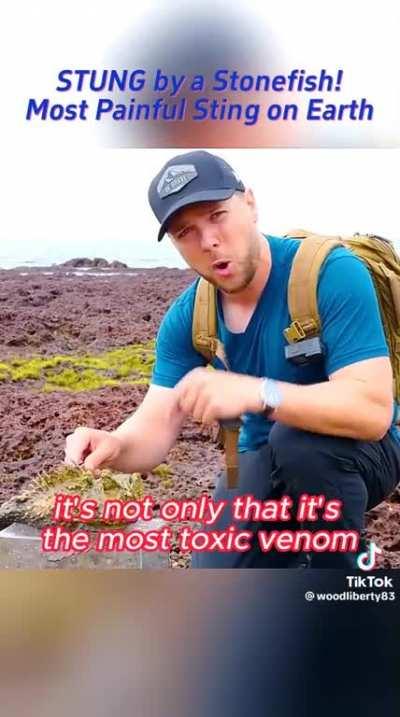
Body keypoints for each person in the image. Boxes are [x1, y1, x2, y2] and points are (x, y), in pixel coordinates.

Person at [65, 150, 400, 568]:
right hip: (260, 458)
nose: (208, 241)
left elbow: (371, 412)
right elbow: (154, 425)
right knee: (217, 577)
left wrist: (257, 392)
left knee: (299, 445)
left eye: (218, 215)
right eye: (186, 232)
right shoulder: (190, 316)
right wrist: (113, 446)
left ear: (250, 203)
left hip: (362, 450)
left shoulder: (330, 272)